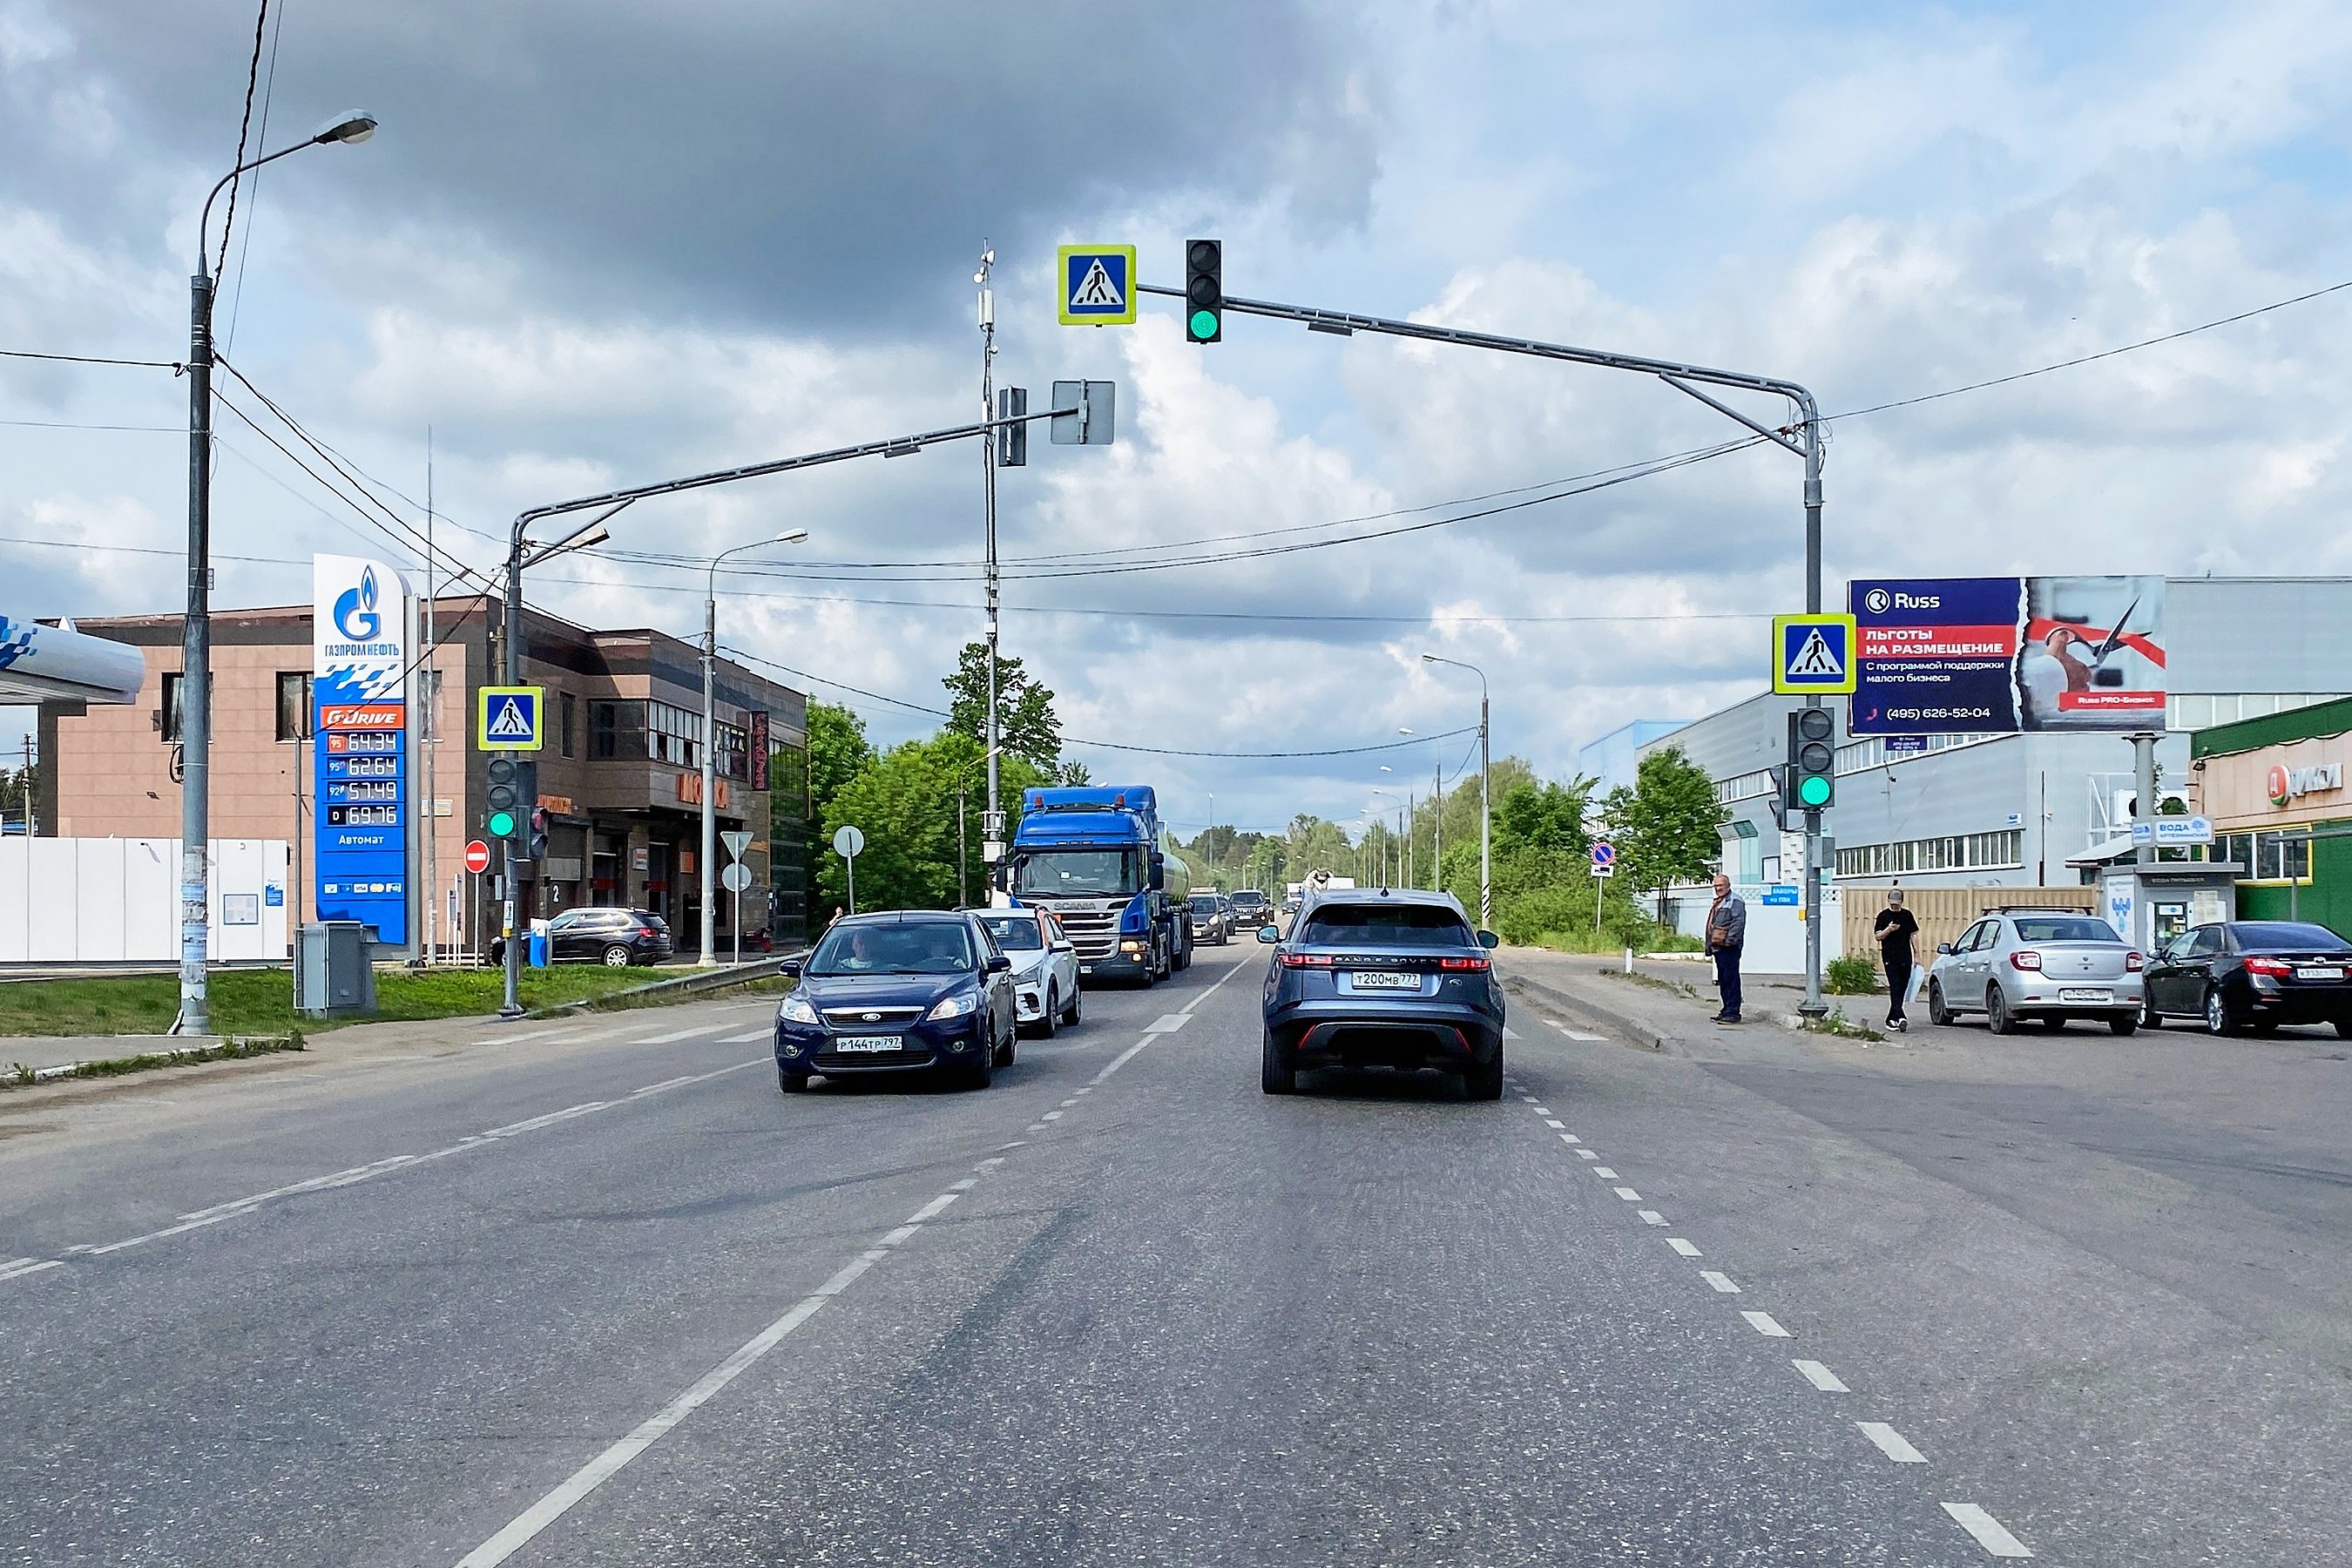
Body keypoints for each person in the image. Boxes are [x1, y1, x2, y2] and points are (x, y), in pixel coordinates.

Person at [1873, 888, 1921, 1033]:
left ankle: (1891, 1019)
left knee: (1902, 988)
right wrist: (1889, 929)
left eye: (1897, 904)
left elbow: (1913, 935)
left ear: (1901, 902)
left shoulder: (1907, 915)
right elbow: (1878, 936)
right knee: (1895, 986)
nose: (1895, 906)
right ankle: (1900, 1017)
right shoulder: (1883, 916)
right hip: (1890, 957)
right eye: (1892, 904)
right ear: (1888, 901)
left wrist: (1917, 954)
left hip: (1905, 956)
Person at [1704, 872, 1746, 1024]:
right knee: (1724, 979)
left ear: (1728, 885)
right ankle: (1726, 1009)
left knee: (1731, 979)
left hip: (1729, 947)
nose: (1718, 888)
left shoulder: (1735, 901)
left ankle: (1733, 1012)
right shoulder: (1721, 901)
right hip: (1719, 946)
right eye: (1716, 886)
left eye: (1720, 885)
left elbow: (1738, 923)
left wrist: (1729, 941)